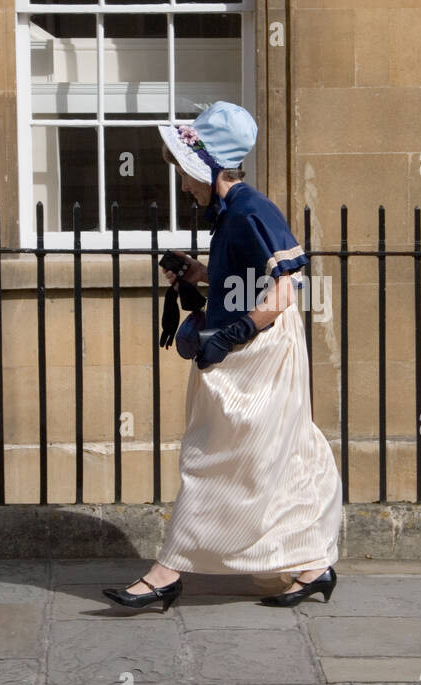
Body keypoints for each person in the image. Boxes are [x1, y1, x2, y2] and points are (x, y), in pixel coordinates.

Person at [102, 102, 341, 611]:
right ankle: (313, 564)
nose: (184, 185)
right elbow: (247, 280)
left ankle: (167, 572)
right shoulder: (232, 213)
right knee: (280, 455)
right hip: (248, 346)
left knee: (215, 457)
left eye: (188, 174)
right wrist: (198, 274)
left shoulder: (253, 209)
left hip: (258, 351)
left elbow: (285, 291)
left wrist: (229, 335)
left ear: (210, 168)